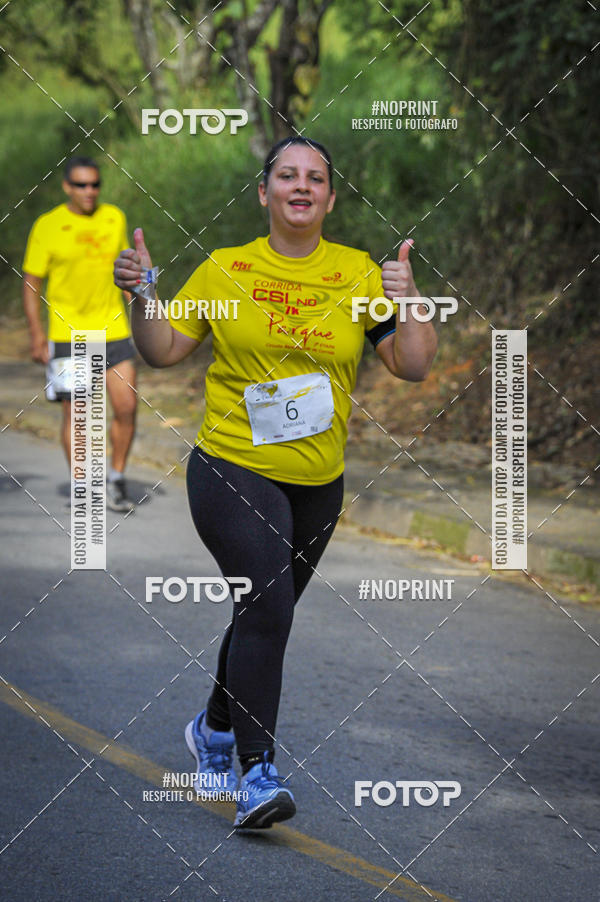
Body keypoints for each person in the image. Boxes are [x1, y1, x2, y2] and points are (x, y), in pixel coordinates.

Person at [113, 136, 437, 828]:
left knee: (263, 612)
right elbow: (164, 350)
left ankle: (211, 727)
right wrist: (142, 297)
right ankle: (257, 775)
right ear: (263, 194)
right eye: (285, 175)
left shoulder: (357, 275)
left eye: (314, 177)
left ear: (329, 197)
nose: (300, 186)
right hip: (232, 465)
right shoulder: (225, 269)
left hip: (319, 482)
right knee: (268, 608)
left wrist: (411, 302)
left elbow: (411, 367)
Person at [23, 155, 137, 512]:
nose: (90, 192)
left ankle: (115, 480)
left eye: (95, 184)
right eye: (82, 185)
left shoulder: (114, 217)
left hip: (114, 331)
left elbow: (125, 272)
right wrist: (37, 334)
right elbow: (31, 284)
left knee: (126, 407)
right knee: (79, 416)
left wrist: (142, 313)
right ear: (67, 187)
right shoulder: (48, 225)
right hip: (68, 334)